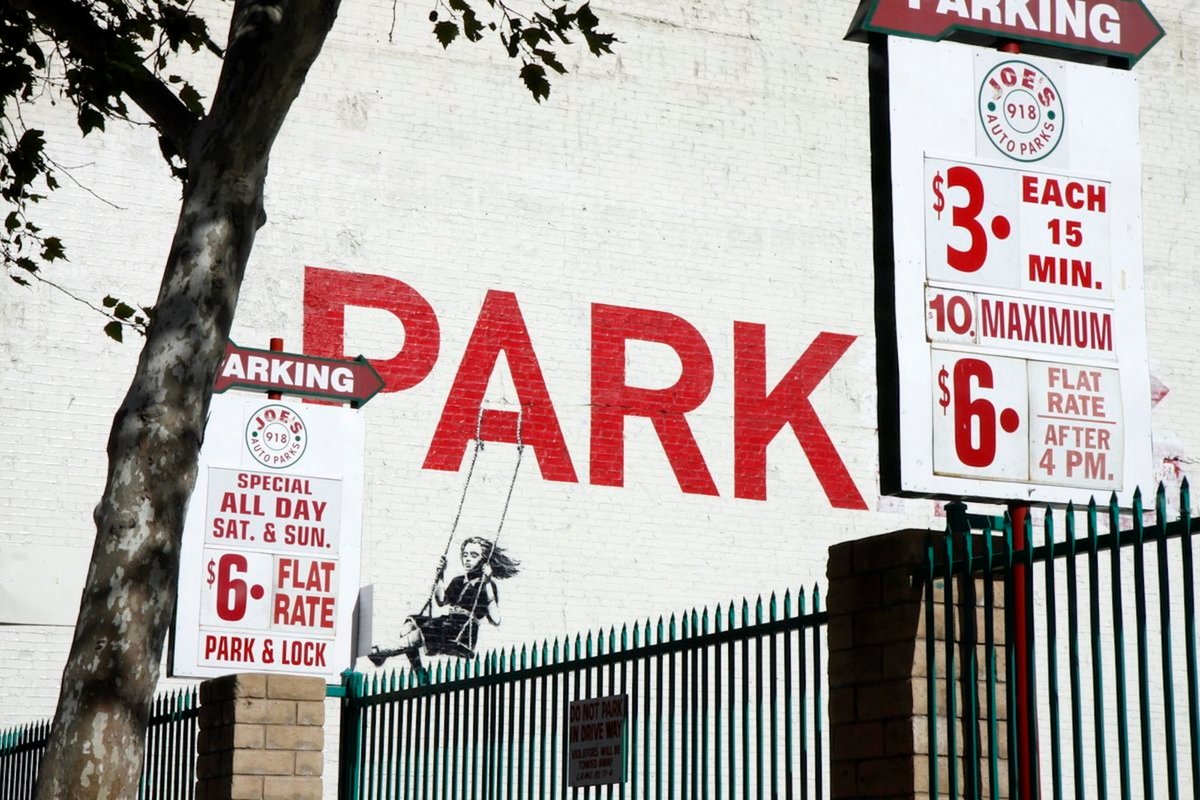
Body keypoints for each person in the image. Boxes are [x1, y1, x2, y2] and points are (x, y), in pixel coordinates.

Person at [368, 537, 519, 675]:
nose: (467, 559)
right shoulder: (458, 581)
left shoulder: (486, 585)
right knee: (410, 624)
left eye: (474, 555)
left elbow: (496, 619)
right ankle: (418, 671)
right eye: (465, 555)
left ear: (484, 560)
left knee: (417, 635)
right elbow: (441, 601)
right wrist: (441, 575)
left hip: (461, 632)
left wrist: (487, 583)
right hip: (447, 624)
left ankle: (381, 651)